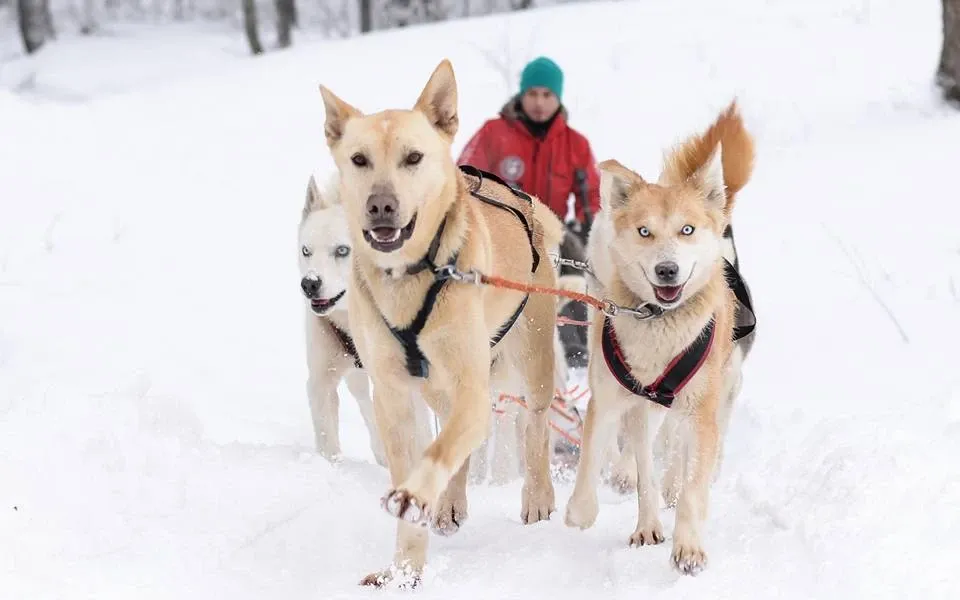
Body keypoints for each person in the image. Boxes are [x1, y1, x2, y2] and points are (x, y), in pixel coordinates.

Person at [457, 56, 599, 370]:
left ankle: (574, 355)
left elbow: (593, 198)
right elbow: (463, 176)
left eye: (547, 95)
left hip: (552, 230)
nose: (539, 102)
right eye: (533, 93)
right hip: (500, 227)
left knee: (575, 258)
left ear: (558, 98)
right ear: (521, 95)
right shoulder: (494, 133)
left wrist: (592, 229)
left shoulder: (576, 144)